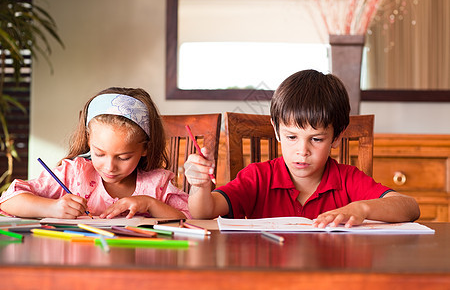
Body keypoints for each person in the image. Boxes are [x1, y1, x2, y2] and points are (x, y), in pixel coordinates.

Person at [184, 69, 420, 227]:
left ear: (336, 137)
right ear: (277, 131)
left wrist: (360, 208)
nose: (302, 150)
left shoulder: (347, 179)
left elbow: (410, 207)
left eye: (316, 139)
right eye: (291, 137)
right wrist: (199, 186)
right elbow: (204, 211)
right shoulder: (258, 177)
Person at [0, 87, 189, 219]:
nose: (109, 167)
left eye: (123, 157)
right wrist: (52, 208)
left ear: (145, 148)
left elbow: (191, 218)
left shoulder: (157, 184)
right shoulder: (73, 174)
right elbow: (9, 200)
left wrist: (150, 204)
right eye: (99, 153)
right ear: (89, 140)